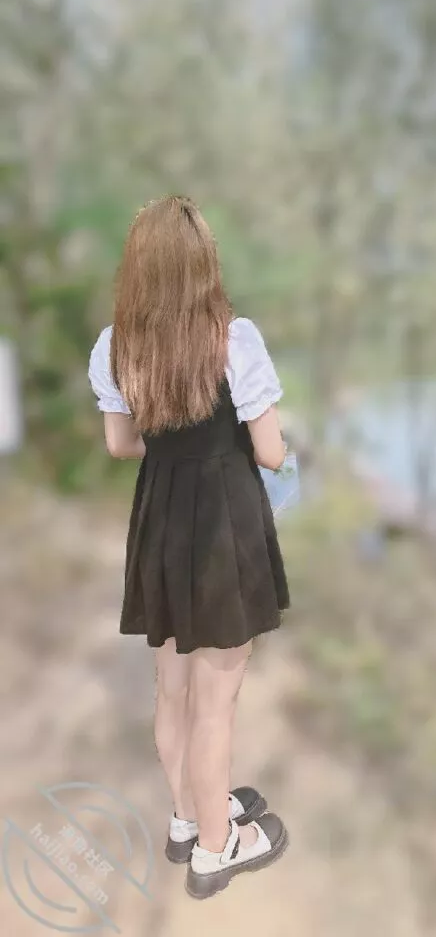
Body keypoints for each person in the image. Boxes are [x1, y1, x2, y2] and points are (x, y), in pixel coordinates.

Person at [87, 195, 290, 899]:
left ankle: (186, 815)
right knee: (215, 702)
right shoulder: (234, 340)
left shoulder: (116, 345)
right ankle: (216, 846)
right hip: (222, 525)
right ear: (204, 262)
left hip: (160, 519)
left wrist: (173, 447)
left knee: (172, 688)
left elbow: (121, 444)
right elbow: (271, 451)